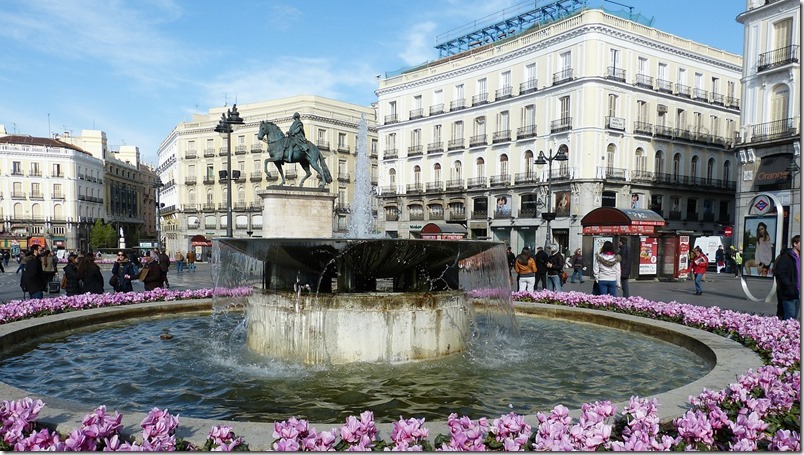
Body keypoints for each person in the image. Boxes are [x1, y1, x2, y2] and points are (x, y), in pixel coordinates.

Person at [774, 235, 800, 320]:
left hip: (798, 291)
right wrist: (789, 285)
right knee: (790, 316)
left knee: (795, 315)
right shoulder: (786, 257)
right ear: (795, 244)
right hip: (788, 291)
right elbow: (780, 272)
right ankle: (784, 332)